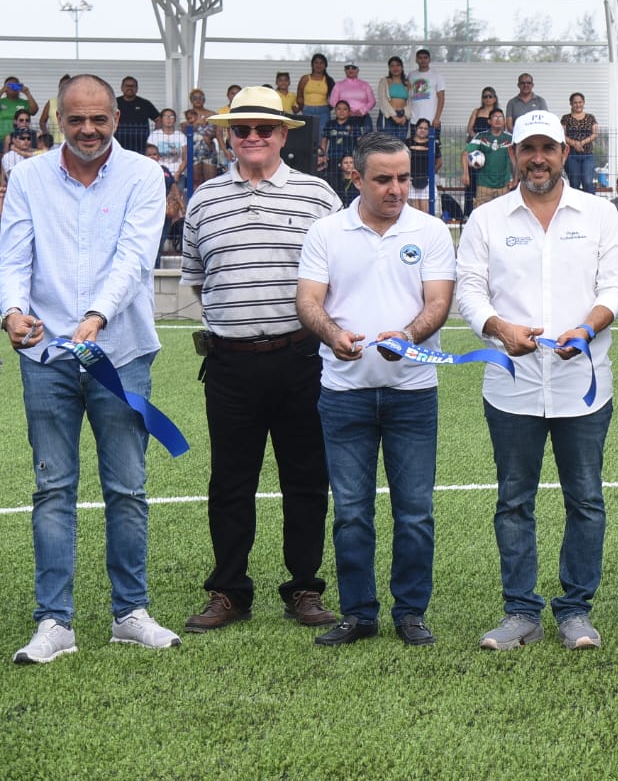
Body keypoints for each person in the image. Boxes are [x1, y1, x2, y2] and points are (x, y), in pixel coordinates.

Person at [4, 74, 178, 664]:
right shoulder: (27, 176)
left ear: (115, 119)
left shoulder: (143, 175)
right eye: (75, 120)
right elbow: (13, 253)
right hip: (46, 356)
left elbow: (135, 256)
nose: (87, 130)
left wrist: (97, 316)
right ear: (59, 121)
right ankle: (55, 623)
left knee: (126, 487)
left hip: (121, 351)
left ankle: (130, 612)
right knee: (53, 487)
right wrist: (11, 312)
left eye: (98, 119)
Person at [456, 109, 618, 652]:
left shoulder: (600, 215)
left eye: (547, 148)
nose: (537, 158)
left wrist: (587, 327)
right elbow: (469, 289)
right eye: (527, 148)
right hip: (512, 385)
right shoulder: (487, 220)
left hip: (584, 384)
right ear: (514, 153)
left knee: (586, 500)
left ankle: (576, 611)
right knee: (513, 501)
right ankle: (521, 612)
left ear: (563, 153)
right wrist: (497, 327)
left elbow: (614, 286)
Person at [180, 86, 341, 635]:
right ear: (228, 135)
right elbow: (199, 281)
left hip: (302, 359)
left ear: (283, 135)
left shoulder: (319, 197)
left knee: (306, 477)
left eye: (264, 129)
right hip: (230, 365)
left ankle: (304, 587)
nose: (253, 137)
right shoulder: (204, 200)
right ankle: (229, 590)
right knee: (230, 480)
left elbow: (338, 276)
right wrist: (241, 329)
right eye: (242, 129)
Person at [296, 133, 457, 648]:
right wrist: (332, 334)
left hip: (412, 393)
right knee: (350, 511)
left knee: (415, 512)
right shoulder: (326, 232)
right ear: (357, 176)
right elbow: (308, 301)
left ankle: (410, 613)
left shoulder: (430, 231)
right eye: (383, 179)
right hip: (343, 393)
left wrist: (409, 337)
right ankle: (359, 613)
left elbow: (438, 303)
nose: (395, 189)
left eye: (404, 178)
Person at [463, 108, 514, 209]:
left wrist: (516, 178)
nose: (498, 119)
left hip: (504, 185)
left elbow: (517, 159)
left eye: (501, 117)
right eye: (495, 117)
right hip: (483, 185)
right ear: (489, 121)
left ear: (504, 121)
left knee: (503, 217)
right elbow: (465, 154)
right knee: (482, 217)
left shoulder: (510, 138)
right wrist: (465, 174)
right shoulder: (481, 136)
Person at [319, 101, 366, 184]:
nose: (341, 111)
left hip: (349, 159)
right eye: (339, 109)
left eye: (345, 109)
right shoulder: (330, 124)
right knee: (333, 181)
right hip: (333, 157)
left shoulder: (354, 124)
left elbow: (360, 142)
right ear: (335, 111)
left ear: (349, 112)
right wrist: (323, 155)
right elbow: (324, 141)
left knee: (350, 181)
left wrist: (359, 156)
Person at [561, 92, 599, 193]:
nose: (578, 105)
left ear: (584, 103)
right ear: (571, 104)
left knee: (587, 182)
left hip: (587, 154)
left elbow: (595, 134)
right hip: (571, 155)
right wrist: (574, 144)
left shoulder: (591, 117)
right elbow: (562, 135)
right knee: (574, 183)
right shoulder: (565, 118)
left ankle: (591, 206)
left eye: (580, 102)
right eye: (575, 102)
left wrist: (581, 143)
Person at [113, 76, 159, 155]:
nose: (130, 88)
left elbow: (158, 119)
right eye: (127, 86)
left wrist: (154, 136)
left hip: (141, 145)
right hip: (118, 144)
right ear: (122, 88)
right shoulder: (114, 103)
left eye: (132, 86)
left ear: (137, 88)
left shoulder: (145, 103)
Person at [407, 49, 444, 130]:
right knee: (415, 143)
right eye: (420, 58)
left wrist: (437, 118)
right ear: (416, 60)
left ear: (429, 59)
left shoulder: (437, 75)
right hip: (414, 119)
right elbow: (407, 95)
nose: (423, 60)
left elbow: (441, 98)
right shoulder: (411, 75)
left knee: (432, 143)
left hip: (432, 120)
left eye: (425, 57)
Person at [146, 108, 186, 180]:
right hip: (158, 172)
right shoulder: (154, 135)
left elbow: (185, 159)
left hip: (177, 173)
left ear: (175, 120)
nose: (168, 119)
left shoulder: (181, 136)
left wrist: (178, 173)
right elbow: (149, 156)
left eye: (171, 117)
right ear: (161, 119)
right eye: (165, 116)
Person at [297, 54, 334, 127]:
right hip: (307, 110)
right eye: (316, 63)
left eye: (321, 63)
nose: (318, 65)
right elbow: (299, 97)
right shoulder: (305, 78)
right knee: (308, 134)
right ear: (312, 65)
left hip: (323, 111)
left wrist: (327, 108)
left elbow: (334, 98)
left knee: (322, 134)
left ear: (325, 65)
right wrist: (303, 108)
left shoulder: (329, 80)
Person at [0, 76, 40, 142]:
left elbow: (34, 111)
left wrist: (27, 93)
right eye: (10, 85)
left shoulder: (24, 102)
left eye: (15, 85)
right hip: (1, 138)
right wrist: (1, 91)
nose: (12, 88)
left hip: (20, 138)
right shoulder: (1, 101)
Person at [407, 119, 434, 212]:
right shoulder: (407, 142)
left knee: (425, 212)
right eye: (420, 128)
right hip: (410, 180)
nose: (423, 130)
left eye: (426, 128)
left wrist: (431, 173)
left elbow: (439, 161)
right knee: (414, 212)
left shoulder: (432, 142)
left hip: (426, 180)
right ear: (416, 128)